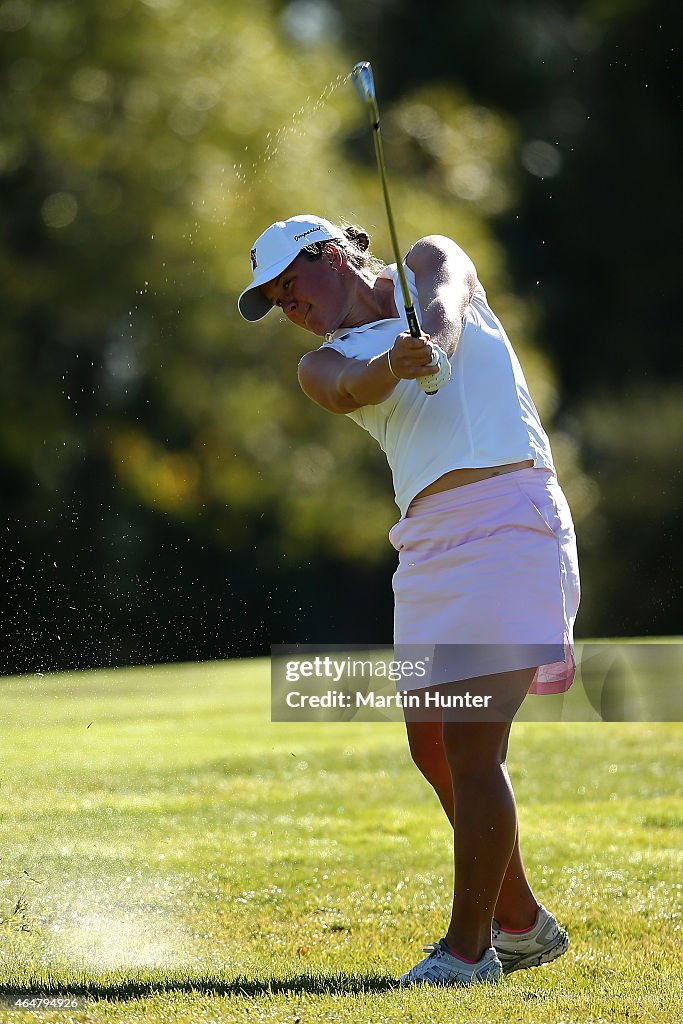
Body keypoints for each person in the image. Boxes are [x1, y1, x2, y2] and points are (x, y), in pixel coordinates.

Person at [238, 214, 580, 986]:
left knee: (468, 745)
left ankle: (468, 952)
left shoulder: (427, 260)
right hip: (426, 544)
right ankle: (521, 922)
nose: (289, 307)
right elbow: (351, 387)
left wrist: (433, 340)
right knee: (430, 746)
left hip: (510, 518)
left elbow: (449, 295)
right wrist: (397, 364)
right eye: (275, 301)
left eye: (291, 285)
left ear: (331, 256)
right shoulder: (320, 363)